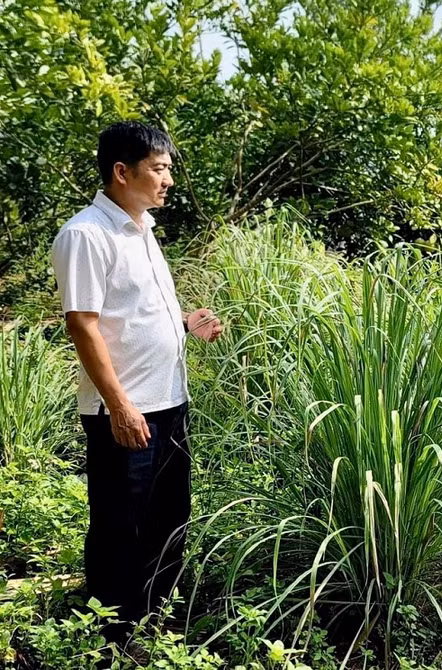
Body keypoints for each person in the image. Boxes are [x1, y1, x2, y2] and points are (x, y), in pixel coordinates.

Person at [50, 121, 223, 649]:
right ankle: (111, 635)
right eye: (160, 169)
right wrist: (120, 406)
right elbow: (83, 324)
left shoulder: (142, 226)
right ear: (121, 172)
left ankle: (154, 621)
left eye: (169, 169)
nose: (168, 179)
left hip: (170, 400)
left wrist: (185, 323)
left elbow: (132, 313)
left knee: (169, 517)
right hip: (126, 411)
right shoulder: (86, 234)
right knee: (120, 526)